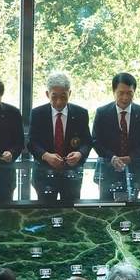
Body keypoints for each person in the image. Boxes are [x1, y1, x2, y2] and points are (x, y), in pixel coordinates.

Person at [27, 72, 92, 202]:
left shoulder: (80, 113)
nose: (59, 102)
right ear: (47, 94)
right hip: (44, 174)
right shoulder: (37, 114)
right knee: (44, 214)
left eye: (63, 96)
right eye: (54, 97)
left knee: (71, 215)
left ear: (70, 93)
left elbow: (87, 141)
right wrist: (46, 155)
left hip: (71, 175)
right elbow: (31, 142)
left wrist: (79, 154)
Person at [91, 73, 140, 200]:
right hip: (108, 171)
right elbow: (96, 141)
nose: (125, 97)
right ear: (113, 91)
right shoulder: (102, 113)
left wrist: (132, 157)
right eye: (121, 93)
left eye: (129, 93)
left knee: (133, 212)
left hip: (135, 171)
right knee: (107, 212)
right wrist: (112, 158)